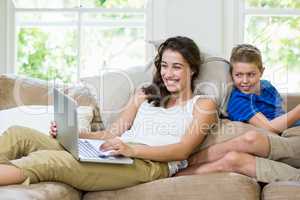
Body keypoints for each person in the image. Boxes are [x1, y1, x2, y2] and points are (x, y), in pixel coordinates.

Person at [0, 36, 217, 191]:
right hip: (115, 153)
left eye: (177, 67)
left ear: (193, 69)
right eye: (164, 66)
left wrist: (132, 149)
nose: (168, 74)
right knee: (18, 133)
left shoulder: (202, 104)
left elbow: (182, 151)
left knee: (48, 161)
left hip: (149, 165)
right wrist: (75, 134)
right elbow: (110, 134)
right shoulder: (145, 94)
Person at [176, 44, 300, 183]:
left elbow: (280, 114)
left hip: (292, 135)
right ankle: (179, 170)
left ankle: (188, 162)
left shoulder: (267, 86)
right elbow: (270, 128)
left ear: (262, 71)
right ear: (231, 74)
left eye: (251, 74)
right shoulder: (237, 100)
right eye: (239, 75)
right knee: (233, 158)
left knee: (250, 141)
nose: (245, 81)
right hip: (283, 138)